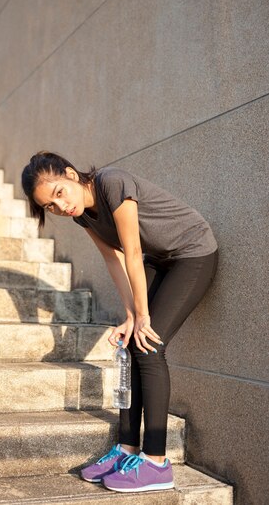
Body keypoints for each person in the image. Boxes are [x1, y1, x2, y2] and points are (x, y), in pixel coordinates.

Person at [21, 151, 218, 494]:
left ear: (70, 174)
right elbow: (114, 262)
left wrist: (143, 317)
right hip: (161, 258)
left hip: (193, 252)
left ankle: (156, 462)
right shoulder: (83, 216)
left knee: (149, 344)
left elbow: (130, 252)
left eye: (59, 193)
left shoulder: (113, 183)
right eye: (50, 207)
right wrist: (130, 315)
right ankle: (127, 450)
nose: (60, 206)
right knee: (131, 342)